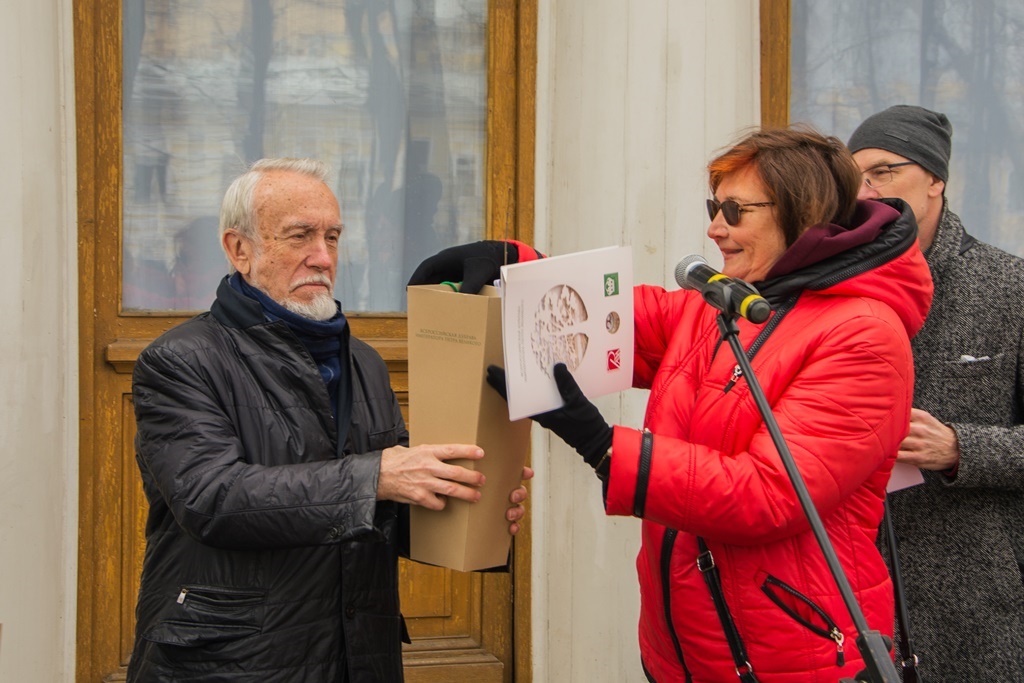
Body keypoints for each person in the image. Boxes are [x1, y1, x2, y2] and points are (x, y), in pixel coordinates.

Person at [410, 126, 934, 681]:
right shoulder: (726, 304)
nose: (714, 228)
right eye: (714, 206)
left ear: (801, 214)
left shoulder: (865, 335)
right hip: (685, 651)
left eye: (734, 210)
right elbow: (605, 318)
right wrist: (513, 265)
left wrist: (606, 447)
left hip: (794, 656)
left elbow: (770, 494)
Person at [127, 157, 532, 683]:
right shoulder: (180, 360)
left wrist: (457, 494)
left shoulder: (362, 360)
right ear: (239, 250)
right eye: (300, 236)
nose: (322, 257)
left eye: (333, 237)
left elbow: (375, 505)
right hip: (230, 661)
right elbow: (213, 500)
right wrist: (379, 476)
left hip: (357, 655)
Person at [848, 104, 1024, 681]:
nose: (867, 190)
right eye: (855, 177)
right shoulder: (830, 290)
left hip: (976, 605)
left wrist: (960, 448)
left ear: (935, 180)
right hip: (849, 584)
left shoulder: (1010, 287)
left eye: (885, 171)